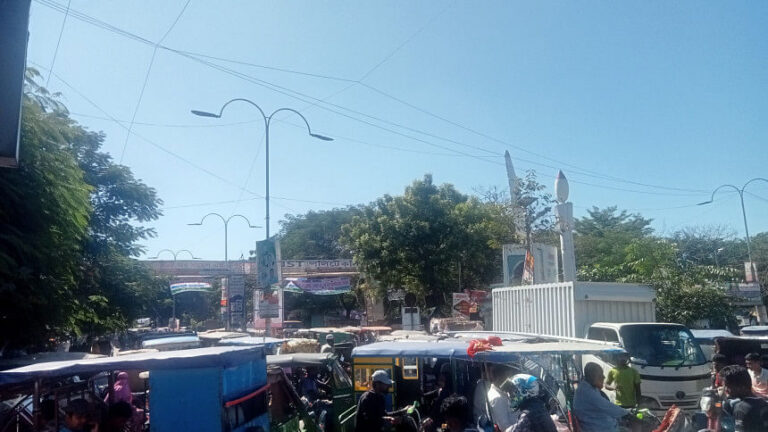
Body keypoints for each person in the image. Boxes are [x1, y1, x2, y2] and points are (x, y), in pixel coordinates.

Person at [573, 362, 631, 432]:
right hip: (598, 428)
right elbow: (608, 407)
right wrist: (628, 413)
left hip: (599, 423)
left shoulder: (587, 386)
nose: (604, 377)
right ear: (592, 376)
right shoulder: (588, 392)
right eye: (600, 375)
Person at [719, 365, 768, 431]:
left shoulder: (741, 408)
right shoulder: (763, 402)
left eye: (727, 386)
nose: (725, 389)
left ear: (741, 386)